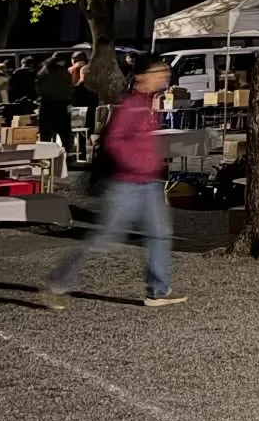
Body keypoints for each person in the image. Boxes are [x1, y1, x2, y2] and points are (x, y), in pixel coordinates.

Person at [42, 56, 185, 310]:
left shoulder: (148, 103)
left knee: (160, 235)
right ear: (141, 76)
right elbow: (114, 141)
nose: (164, 76)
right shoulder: (131, 105)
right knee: (104, 239)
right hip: (126, 183)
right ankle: (58, 282)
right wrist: (138, 162)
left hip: (149, 182)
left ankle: (158, 291)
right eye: (158, 72)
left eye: (165, 72)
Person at [36, 53, 75, 153]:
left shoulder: (43, 71)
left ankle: (45, 155)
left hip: (46, 106)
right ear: (61, 61)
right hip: (61, 107)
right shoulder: (64, 73)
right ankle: (67, 156)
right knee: (65, 135)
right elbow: (68, 89)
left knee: (46, 136)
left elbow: (38, 89)